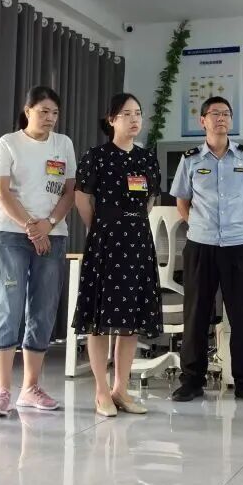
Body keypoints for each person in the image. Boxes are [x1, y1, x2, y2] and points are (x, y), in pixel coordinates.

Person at [170, 96, 243, 404]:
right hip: (201, 245)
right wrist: (199, 226)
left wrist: (240, 223)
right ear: (202, 121)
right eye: (215, 114)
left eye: (226, 113)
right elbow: (182, 202)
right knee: (196, 315)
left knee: (242, 315)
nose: (221, 118)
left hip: (238, 245)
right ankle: (191, 381)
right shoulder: (190, 159)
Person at [0, 86, 78, 417]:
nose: (50, 118)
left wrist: (48, 225)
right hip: (11, 233)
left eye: (55, 112)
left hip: (53, 234)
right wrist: (30, 226)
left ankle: (31, 387)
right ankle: (2, 391)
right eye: (43, 111)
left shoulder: (63, 144)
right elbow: (1, 190)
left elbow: (70, 192)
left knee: (43, 308)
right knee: (8, 306)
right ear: (28, 111)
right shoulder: (9, 142)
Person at [71, 93, 163, 417]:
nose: (134, 119)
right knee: (99, 321)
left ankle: (121, 389)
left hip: (138, 242)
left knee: (130, 321)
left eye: (138, 113)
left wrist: (132, 223)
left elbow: (150, 200)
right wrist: (100, 228)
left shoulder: (147, 158)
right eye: (127, 114)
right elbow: (82, 198)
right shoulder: (96, 157)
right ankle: (101, 392)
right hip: (105, 242)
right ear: (111, 119)